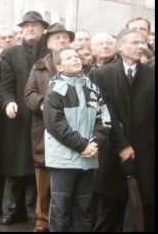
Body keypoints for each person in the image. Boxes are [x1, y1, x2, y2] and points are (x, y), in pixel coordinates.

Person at [91, 29, 155, 232]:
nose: (140, 47)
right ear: (120, 46)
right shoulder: (102, 74)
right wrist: (122, 145)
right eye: (135, 42)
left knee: (142, 208)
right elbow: (103, 112)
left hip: (145, 151)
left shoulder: (151, 75)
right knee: (111, 208)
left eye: (143, 43)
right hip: (112, 151)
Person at [43, 47, 111, 232]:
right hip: (64, 160)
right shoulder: (56, 89)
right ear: (59, 67)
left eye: (76, 56)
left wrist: (95, 143)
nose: (75, 59)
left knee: (84, 207)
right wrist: (82, 145)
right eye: (69, 58)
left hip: (88, 158)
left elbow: (103, 118)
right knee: (61, 207)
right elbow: (55, 125)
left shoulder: (92, 88)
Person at [0, 10, 49, 227]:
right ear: (21, 29)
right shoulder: (10, 53)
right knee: (14, 166)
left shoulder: (50, 53)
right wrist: (8, 101)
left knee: (36, 167)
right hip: (17, 116)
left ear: (43, 29)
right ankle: (9, 210)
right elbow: (4, 84)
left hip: (43, 116)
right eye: (26, 25)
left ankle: (32, 211)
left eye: (35, 25)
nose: (30, 28)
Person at [23, 23, 74, 232]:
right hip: (43, 129)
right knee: (43, 180)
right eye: (56, 38)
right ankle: (42, 221)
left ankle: (65, 222)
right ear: (49, 43)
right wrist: (44, 104)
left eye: (65, 38)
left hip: (71, 130)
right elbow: (28, 94)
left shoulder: (79, 64)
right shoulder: (39, 66)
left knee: (69, 180)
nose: (61, 41)